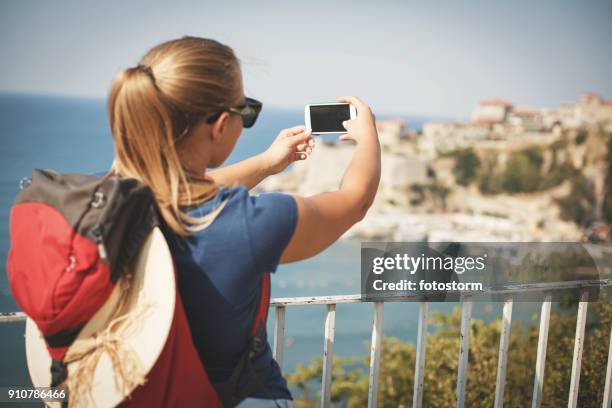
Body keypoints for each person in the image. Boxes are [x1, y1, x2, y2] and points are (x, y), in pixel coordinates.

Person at [108, 36, 381, 407]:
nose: (245, 119)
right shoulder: (245, 223)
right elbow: (354, 201)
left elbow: (177, 190)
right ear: (220, 126)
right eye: (246, 111)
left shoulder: (109, 200)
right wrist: (368, 140)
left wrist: (270, 162)